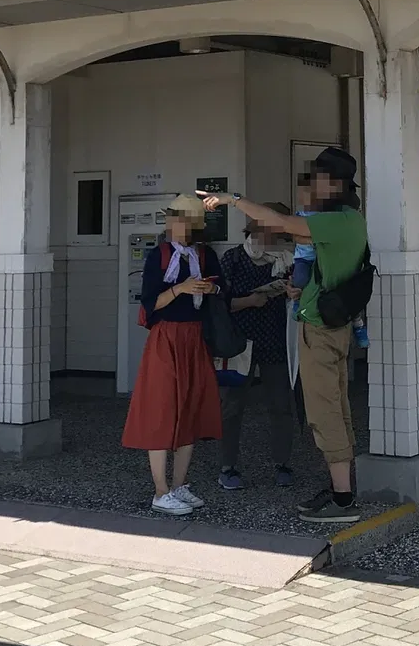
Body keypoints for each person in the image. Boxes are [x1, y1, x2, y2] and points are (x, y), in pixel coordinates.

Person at [202, 145, 367, 524]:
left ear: (336, 184)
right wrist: (297, 289)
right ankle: (341, 488)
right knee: (337, 408)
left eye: (320, 179)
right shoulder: (350, 221)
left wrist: (234, 199)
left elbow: (280, 223)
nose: (312, 186)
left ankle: (342, 501)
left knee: (324, 412)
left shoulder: (335, 220)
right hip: (334, 325)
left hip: (320, 332)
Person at [121, 194, 224, 517]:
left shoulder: (205, 255)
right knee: (162, 408)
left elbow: (224, 290)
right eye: (173, 218)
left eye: (181, 219)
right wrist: (180, 289)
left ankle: (178, 485)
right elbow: (149, 302)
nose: (175, 224)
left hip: (195, 337)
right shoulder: (159, 256)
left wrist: (211, 289)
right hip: (166, 337)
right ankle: (160, 490)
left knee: (191, 408)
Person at [217, 207, 299, 491]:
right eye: (265, 229)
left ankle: (283, 464)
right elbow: (221, 303)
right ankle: (227, 466)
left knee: (280, 404)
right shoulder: (233, 258)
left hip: (276, 340)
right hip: (240, 342)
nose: (270, 235)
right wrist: (250, 301)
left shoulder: (288, 259)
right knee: (232, 405)